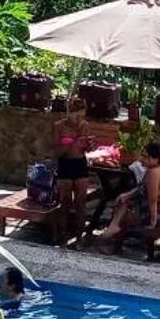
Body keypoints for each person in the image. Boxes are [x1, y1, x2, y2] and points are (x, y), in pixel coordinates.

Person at [102, 142, 160, 250]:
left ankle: (113, 239)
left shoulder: (154, 173)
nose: (142, 159)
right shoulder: (156, 168)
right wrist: (127, 194)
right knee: (122, 201)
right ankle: (114, 229)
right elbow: (142, 188)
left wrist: (153, 221)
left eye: (145, 157)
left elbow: (152, 200)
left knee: (125, 212)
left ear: (154, 158)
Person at [52, 94, 94, 236]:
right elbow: (56, 151)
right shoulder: (59, 126)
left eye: (82, 117)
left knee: (81, 204)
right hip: (65, 164)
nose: (80, 120)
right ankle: (62, 234)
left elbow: (87, 149)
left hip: (80, 164)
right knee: (64, 203)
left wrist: (89, 145)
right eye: (77, 117)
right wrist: (72, 142)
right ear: (70, 113)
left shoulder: (85, 126)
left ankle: (79, 237)